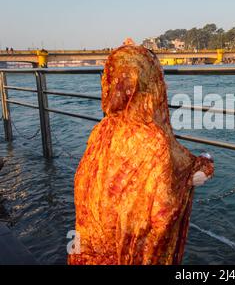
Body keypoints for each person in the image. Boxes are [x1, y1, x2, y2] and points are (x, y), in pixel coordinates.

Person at [68, 42, 214, 265]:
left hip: (90, 249)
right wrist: (189, 179)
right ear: (152, 84)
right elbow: (162, 211)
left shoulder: (101, 130)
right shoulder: (153, 141)